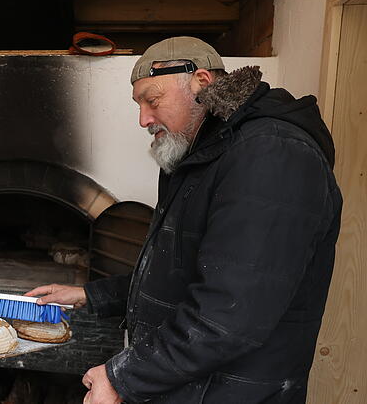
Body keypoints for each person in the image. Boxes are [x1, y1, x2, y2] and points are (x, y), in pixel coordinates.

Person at [27, 37, 342, 403]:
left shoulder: (272, 155)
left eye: (152, 99)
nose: (143, 118)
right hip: (193, 386)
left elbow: (228, 315)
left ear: (202, 83)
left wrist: (124, 378)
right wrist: (90, 295)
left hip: (228, 392)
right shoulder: (202, 155)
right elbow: (181, 271)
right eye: (139, 104)